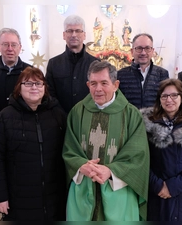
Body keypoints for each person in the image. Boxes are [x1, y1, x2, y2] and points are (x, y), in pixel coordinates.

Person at [62, 60, 150, 221]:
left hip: (118, 189)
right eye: (93, 83)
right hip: (83, 188)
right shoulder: (77, 112)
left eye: (104, 83)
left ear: (116, 84)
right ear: (88, 85)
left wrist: (110, 171)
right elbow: (69, 149)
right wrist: (81, 165)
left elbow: (138, 154)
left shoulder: (131, 114)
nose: (98, 89)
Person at [0, 67, 67, 221]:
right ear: (19, 87)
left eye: (38, 83)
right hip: (19, 196)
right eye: (28, 83)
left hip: (54, 195)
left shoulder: (57, 114)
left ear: (45, 88)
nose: (34, 87)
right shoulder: (6, 117)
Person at [140, 79, 182, 221]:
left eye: (174, 95)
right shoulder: (147, 125)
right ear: (159, 99)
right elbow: (140, 160)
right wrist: (158, 186)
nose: (169, 100)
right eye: (164, 96)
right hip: (155, 193)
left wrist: (172, 187)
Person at [46, 14, 98, 113]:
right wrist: (61, 115)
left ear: (84, 35)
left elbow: (99, 92)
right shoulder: (53, 63)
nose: (74, 34)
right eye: (69, 31)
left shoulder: (95, 63)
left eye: (78, 31)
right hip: (60, 119)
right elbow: (49, 94)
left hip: (89, 117)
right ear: (64, 35)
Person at [118, 33, 169, 109]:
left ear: (152, 51)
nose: (143, 53)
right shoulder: (120, 75)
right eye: (139, 48)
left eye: (147, 48)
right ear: (132, 51)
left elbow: (166, 101)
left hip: (153, 119)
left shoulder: (162, 74)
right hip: (129, 120)